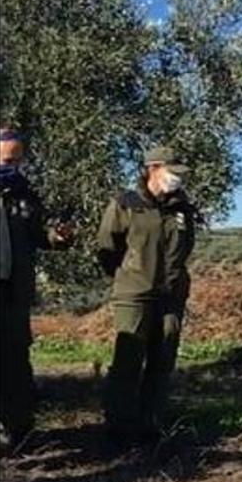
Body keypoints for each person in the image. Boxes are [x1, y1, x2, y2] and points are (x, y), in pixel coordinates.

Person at [95, 145, 197, 447]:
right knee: (128, 360)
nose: (178, 179)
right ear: (153, 168)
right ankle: (120, 428)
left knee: (163, 358)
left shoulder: (182, 207)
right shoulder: (125, 204)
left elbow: (186, 245)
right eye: (173, 172)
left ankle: (151, 423)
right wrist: (129, 274)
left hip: (171, 295)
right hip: (134, 294)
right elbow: (107, 247)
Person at [0, 127, 73, 448]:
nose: (12, 166)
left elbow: (40, 236)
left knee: (16, 361)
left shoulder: (24, 192)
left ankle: (20, 430)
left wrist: (61, 237)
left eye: (17, 160)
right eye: (6, 160)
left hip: (14, 292)